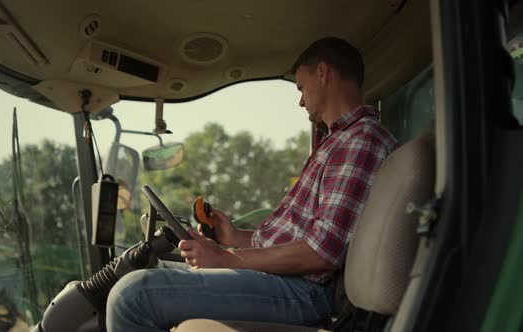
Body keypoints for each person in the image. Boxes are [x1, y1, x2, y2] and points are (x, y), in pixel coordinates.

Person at [106, 37, 398, 331]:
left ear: (323, 73)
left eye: (301, 87)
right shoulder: (336, 142)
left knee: (133, 296)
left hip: (303, 292)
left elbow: (321, 252)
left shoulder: (360, 140)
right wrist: (234, 237)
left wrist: (227, 258)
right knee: (135, 275)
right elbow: (299, 238)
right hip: (285, 281)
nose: (300, 100)